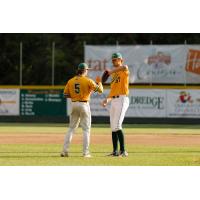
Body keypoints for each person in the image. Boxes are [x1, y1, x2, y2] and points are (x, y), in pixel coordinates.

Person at [61, 63, 103, 158]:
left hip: (74, 104)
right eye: (87, 70)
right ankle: (85, 153)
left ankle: (64, 151)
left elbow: (65, 95)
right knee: (86, 129)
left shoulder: (70, 81)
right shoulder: (88, 80)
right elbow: (100, 90)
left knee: (71, 128)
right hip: (84, 104)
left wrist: (76, 96)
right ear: (84, 70)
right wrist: (99, 82)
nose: (87, 71)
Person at [101, 53, 129, 157]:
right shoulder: (113, 75)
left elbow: (125, 67)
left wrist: (111, 71)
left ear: (121, 60)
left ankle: (123, 151)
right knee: (113, 127)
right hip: (114, 101)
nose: (114, 62)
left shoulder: (124, 70)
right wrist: (107, 100)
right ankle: (115, 151)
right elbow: (112, 92)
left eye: (116, 60)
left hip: (122, 99)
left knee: (117, 125)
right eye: (113, 60)